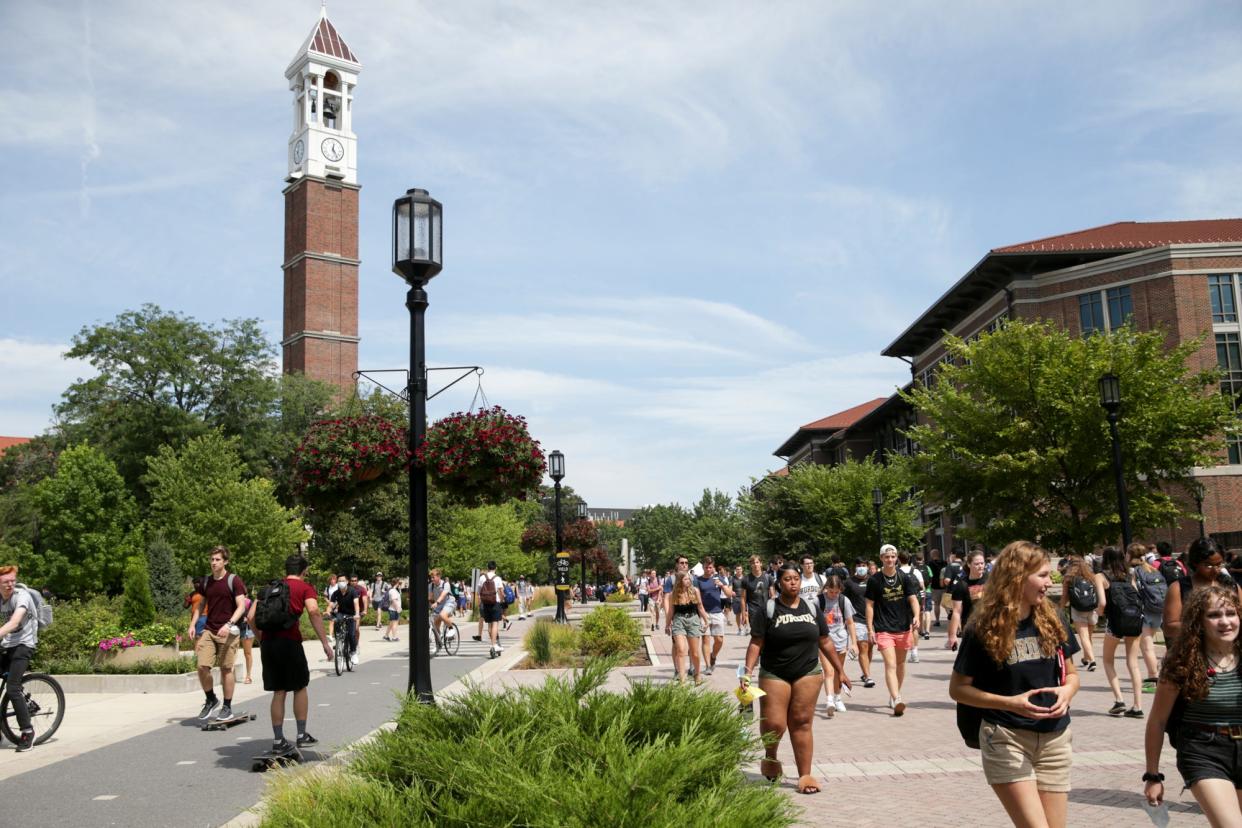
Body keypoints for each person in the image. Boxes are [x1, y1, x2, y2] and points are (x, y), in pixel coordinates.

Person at [948, 541, 1080, 828]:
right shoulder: (983, 626)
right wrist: (1010, 703)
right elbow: (958, 689)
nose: (1050, 582)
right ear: (1018, 576)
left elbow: (1072, 674)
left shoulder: (1053, 618)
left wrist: (1067, 691)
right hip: (1006, 736)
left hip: (1055, 737)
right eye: (1043, 575)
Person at [741, 561, 851, 794]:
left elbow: (825, 640)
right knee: (775, 724)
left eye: (796, 579)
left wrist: (840, 670)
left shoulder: (811, 608)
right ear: (779, 583)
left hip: (808, 672)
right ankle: (771, 759)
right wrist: (748, 672)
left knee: (801, 722)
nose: (793, 583)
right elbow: (756, 642)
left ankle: (806, 775)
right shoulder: (768, 609)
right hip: (774, 673)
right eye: (787, 579)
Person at [1143, 584, 1242, 825]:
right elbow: (1157, 720)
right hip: (1203, 750)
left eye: (1231, 613)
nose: (1225, 621)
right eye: (1214, 615)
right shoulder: (1182, 661)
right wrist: (1153, 775)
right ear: (1199, 621)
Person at [248, 554, 333, 754]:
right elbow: (313, 611)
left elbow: (250, 616)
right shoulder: (304, 588)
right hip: (290, 642)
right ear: (304, 571)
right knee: (300, 686)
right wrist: (324, 642)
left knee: (279, 691)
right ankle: (302, 735)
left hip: (269, 644)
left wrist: (261, 639)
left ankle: (278, 740)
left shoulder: (270, 588)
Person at [188, 546, 247, 721]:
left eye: (217, 559)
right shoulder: (206, 582)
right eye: (212, 559)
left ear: (225, 561)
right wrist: (192, 625)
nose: (214, 563)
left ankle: (227, 707)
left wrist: (229, 624)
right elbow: (200, 605)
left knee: (226, 669)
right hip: (210, 629)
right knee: (201, 666)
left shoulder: (233, 581)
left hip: (228, 631)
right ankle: (211, 699)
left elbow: (241, 606)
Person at [865, 544, 919, 715]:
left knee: (901, 664)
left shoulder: (905, 577)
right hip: (883, 628)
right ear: (881, 558)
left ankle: (894, 694)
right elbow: (869, 605)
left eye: (893, 556)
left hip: (903, 627)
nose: (890, 560)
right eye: (886, 557)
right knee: (890, 664)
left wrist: (916, 615)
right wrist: (870, 629)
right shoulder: (875, 580)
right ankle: (897, 699)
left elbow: (913, 599)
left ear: (896, 558)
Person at [1164, 537, 1242, 648]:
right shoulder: (1179, 587)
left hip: (1228, 651)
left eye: (1219, 565)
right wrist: (1205, 626)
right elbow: (1169, 628)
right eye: (1208, 565)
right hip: (1192, 652)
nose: (1215, 570)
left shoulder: (1230, 585)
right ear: (1195, 563)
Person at [1097, 546, 1145, 718]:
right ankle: (1137, 706)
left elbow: (1102, 603)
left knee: (1108, 660)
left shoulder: (1101, 576)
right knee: (1133, 664)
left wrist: (1100, 613)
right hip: (1134, 621)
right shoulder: (1130, 575)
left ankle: (1119, 700)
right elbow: (1137, 597)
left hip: (1115, 623)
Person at [0, 565, 39, 751]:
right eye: (5, 582)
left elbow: (14, 622)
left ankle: (27, 731)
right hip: (7, 644)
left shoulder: (21, 596)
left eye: (12, 581)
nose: (10, 584)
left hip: (24, 644)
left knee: (12, 687)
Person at [818, 574, 859, 716]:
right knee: (828, 671)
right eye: (831, 591)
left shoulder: (844, 600)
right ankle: (829, 700)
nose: (834, 594)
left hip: (841, 640)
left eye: (836, 592)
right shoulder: (819, 601)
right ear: (826, 588)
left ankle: (837, 697)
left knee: (839, 671)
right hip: (824, 641)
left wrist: (854, 643)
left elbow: (850, 623)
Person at [1130, 545, 1166, 693]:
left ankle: (1153, 679)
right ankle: (1159, 671)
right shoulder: (1153, 569)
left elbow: (1134, 591)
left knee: (1147, 647)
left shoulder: (1134, 571)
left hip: (1145, 612)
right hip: (1159, 610)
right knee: (1151, 645)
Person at [666, 570, 709, 684]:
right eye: (686, 579)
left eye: (689, 579)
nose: (689, 581)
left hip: (693, 620)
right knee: (680, 649)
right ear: (680, 581)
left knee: (694, 652)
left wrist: (706, 620)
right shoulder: (673, 594)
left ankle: (697, 674)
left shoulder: (695, 591)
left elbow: (700, 607)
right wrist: (667, 624)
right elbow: (671, 611)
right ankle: (682, 678)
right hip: (679, 620)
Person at [1059, 556, 1100, 672]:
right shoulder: (1091, 576)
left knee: (1084, 637)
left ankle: (1092, 661)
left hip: (1078, 609)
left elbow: (1064, 597)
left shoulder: (1068, 578)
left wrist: (1059, 609)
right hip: (1092, 609)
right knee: (1088, 636)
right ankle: (1086, 658)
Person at [695, 558, 733, 675]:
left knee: (719, 640)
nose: (708, 569)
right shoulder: (698, 580)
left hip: (717, 612)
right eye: (706, 567)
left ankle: (713, 656)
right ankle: (707, 666)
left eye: (710, 567)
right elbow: (697, 597)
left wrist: (722, 585)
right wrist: (701, 612)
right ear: (703, 567)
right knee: (705, 639)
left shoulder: (718, 578)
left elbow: (729, 594)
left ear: (713, 567)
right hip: (704, 613)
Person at [945, 549, 988, 652]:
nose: (980, 566)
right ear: (969, 564)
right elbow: (956, 611)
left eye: (982, 563)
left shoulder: (991, 579)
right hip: (971, 629)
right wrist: (952, 635)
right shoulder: (962, 585)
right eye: (976, 564)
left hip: (990, 627)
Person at [844, 558, 875, 688]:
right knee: (863, 647)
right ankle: (868, 677)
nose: (861, 567)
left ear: (867, 566)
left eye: (863, 565)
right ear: (855, 567)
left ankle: (865, 671)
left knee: (870, 647)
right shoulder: (849, 582)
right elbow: (843, 600)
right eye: (859, 565)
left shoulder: (873, 580)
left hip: (873, 619)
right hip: (857, 619)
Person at [329, 575, 362, 667]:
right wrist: (328, 611)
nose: (340, 582)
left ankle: (353, 652)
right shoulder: (336, 593)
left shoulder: (353, 591)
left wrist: (357, 614)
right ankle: (338, 639)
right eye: (339, 581)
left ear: (347, 581)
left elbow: (356, 603)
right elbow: (331, 604)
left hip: (352, 615)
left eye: (343, 580)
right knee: (336, 620)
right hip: (341, 613)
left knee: (351, 634)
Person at [476, 562, 506, 658]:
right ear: (495, 568)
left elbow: (478, 592)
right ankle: (493, 645)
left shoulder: (482, 577)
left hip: (485, 603)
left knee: (489, 624)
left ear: (487, 568)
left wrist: (480, 602)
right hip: (495, 603)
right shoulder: (497, 578)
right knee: (495, 624)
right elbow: (501, 592)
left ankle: (494, 644)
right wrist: (501, 600)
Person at [739, 555, 772, 640]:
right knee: (757, 636)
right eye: (753, 563)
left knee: (769, 634)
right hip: (753, 611)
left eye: (757, 562)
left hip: (767, 610)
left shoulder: (768, 578)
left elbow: (772, 596)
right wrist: (743, 613)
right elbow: (743, 598)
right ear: (751, 565)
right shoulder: (746, 579)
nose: (755, 564)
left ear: (761, 563)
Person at [429, 569, 457, 646]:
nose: (431, 579)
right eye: (431, 577)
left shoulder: (445, 584)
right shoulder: (431, 586)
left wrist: (436, 602)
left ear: (438, 576)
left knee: (442, 615)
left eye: (433, 577)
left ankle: (451, 629)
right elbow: (430, 597)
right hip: (439, 605)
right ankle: (439, 638)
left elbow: (443, 595)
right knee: (435, 624)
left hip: (449, 602)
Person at [239, 596, 255, 684]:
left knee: (247, 653)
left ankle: (248, 676)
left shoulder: (248, 602)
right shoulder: (233, 601)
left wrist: (247, 618)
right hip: (234, 629)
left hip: (247, 629)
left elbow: (253, 615)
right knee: (232, 652)